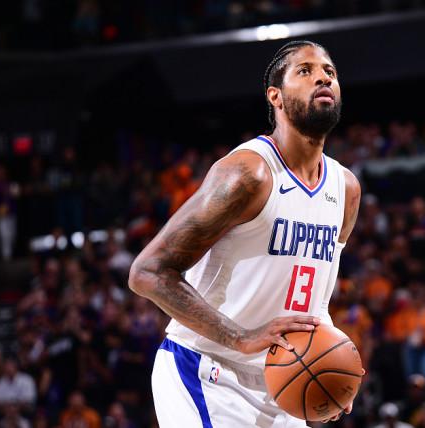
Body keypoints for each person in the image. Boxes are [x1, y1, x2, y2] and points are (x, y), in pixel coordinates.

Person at [129, 40, 362, 427]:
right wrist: (241, 337)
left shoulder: (346, 189)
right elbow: (148, 272)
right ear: (276, 97)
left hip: (282, 380)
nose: (323, 78)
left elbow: (315, 304)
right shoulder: (248, 173)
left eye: (330, 72)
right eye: (305, 71)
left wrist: (332, 368)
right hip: (207, 372)